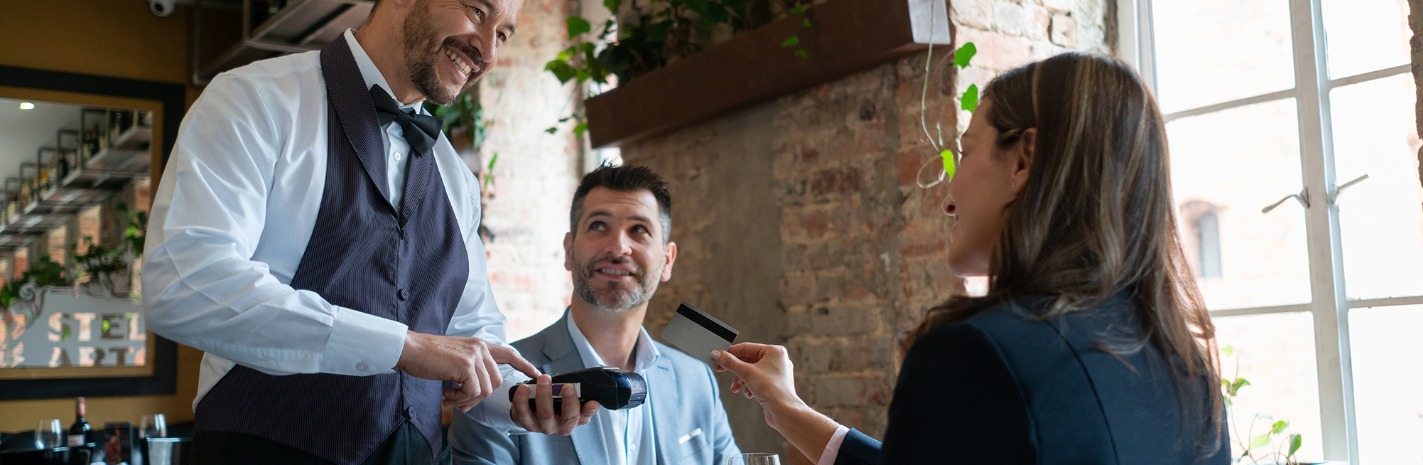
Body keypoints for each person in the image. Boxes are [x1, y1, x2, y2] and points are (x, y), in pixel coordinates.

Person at [711, 52, 1231, 465]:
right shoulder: (1182, 363)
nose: (948, 196)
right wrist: (789, 412)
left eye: (965, 153)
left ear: (1022, 160)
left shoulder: (975, 355)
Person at [141, 1, 598, 463]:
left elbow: (472, 333)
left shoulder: (456, 179)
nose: (488, 52)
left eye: (503, 34)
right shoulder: (255, 99)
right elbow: (183, 283)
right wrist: (402, 346)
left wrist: (520, 399)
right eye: (478, 11)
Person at [450, 164, 742, 464]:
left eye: (638, 230)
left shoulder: (697, 381)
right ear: (568, 249)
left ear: (667, 261)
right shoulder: (497, 385)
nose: (618, 248)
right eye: (599, 226)